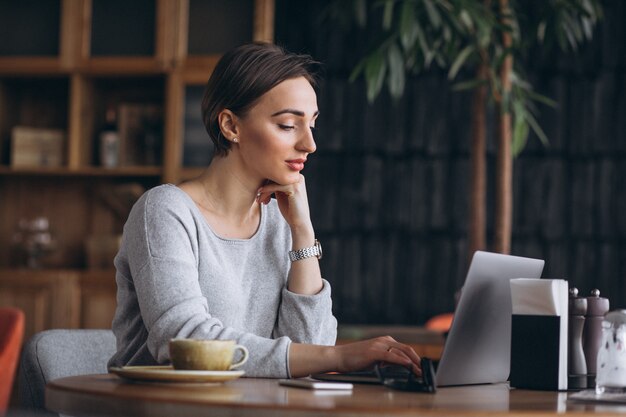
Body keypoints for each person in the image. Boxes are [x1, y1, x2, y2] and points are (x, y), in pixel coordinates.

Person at [108, 42, 421, 378]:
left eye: (312, 124)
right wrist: (340, 357)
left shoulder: (280, 220)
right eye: (288, 125)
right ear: (230, 126)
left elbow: (309, 346)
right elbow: (183, 343)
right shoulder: (165, 211)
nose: (310, 144)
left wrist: (303, 232)